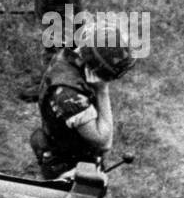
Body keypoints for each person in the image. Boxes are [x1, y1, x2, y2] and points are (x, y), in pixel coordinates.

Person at [29, 13, 134, 180]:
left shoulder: (68, 56)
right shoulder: (70, 96)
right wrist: (102, 91)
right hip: (68, 165)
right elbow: (104, 143)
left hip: (63, 145)